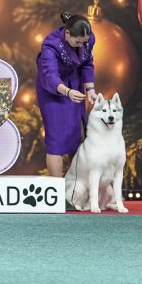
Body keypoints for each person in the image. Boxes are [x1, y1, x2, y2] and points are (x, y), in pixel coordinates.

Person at [36, 11, 99, 178]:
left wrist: (90, 89)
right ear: (68, 33)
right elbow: (50, 75)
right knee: (56, 140)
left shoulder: (87, 40)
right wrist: (67, 91)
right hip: (53, 89)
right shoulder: (50, 45)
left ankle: (74, 186)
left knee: (76, 135)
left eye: (84, 42)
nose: (81, 45)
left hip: (74, 84)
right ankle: (57, 187)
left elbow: (87, 63)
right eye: (78, 42)